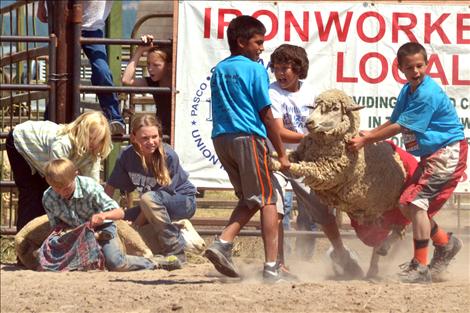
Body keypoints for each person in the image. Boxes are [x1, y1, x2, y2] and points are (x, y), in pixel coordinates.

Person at [349, 42, 467, 283]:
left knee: (415, 205)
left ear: (427, 64)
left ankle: (420, 266)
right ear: (401, 69)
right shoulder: (408, 90)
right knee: (406, 205)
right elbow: (394, 120)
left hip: (447, 152)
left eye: (420, 66)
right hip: (434, 154)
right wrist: (368, 135)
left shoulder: (426, 93)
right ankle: (445, 244)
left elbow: (401, 126)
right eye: (410, 67)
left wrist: (367, 139)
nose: (416, 71)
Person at [203, 15, 291, 283]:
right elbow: (265, 113)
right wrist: (282, 152)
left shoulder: (219, 69)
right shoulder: (255, 70)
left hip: (221, 139)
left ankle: (224, 243)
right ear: (241, 42)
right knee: (267, 200)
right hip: (248, 137)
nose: (261, 48)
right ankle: (271, 267)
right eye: (258, 42)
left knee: (251, 198)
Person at [269, 44, 363, 277]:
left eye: (286, 69)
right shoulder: (271, 93)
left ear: (299, 70)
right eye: (277, 68)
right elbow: (278, 131)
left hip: (307, 160)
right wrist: (312, 137)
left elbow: (329, 122)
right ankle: (277, 262)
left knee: (321, 211)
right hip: (279, 157)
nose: (281, 73)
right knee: (277, 208)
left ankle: (340, 252)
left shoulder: (312, 94)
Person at [104, 114, 198, 267]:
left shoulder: (168, 156)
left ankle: (175, 251)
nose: (151, 142)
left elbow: (155, 199)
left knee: (146, 202)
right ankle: (178, 236)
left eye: (155, 136)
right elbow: (110, 187)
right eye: (145, 138)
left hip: (182, 201)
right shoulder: (126, 156)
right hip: (151, 205)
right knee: (120, 219)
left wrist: (135, 227)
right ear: (133, 137)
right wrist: (105, 213)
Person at [40, 158, 158, 271]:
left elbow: (120, 213)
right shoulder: (48, 197)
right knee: (48, 261)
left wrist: (103, 216)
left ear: (75, 175)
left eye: (66, 188)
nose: (62, 192)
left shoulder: (90, 187)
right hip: (76, 232)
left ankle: (154, 263)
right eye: (57, 189)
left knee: (115, 263)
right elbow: (56, 227)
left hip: (102, 228)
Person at [6, 110, 111, 232]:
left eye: (98, 140)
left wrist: (98, 208)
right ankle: (24, 241)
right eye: (91, 138)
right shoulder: (63, 143)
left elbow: (92, 184)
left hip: (44, 157)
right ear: (82, 132)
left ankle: (45, 239)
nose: (94, 143)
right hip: (22, 143)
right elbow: (57, 174)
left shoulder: (93, 153)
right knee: (33, 195)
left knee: (51, 194)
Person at [37, 0, 126, 135]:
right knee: (60, 74)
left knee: (102, 70)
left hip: (92, 28)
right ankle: (51, 119)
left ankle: (115, 118)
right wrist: (41, 5)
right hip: (64, 26)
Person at [122, 34, 172, 138]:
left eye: (156, 65)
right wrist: (140, 51)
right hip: (162, 132)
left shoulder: (179, 81)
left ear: (169, 65)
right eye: (148, 64)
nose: (150, 69)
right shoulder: (153, 82)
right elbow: (126, 80)